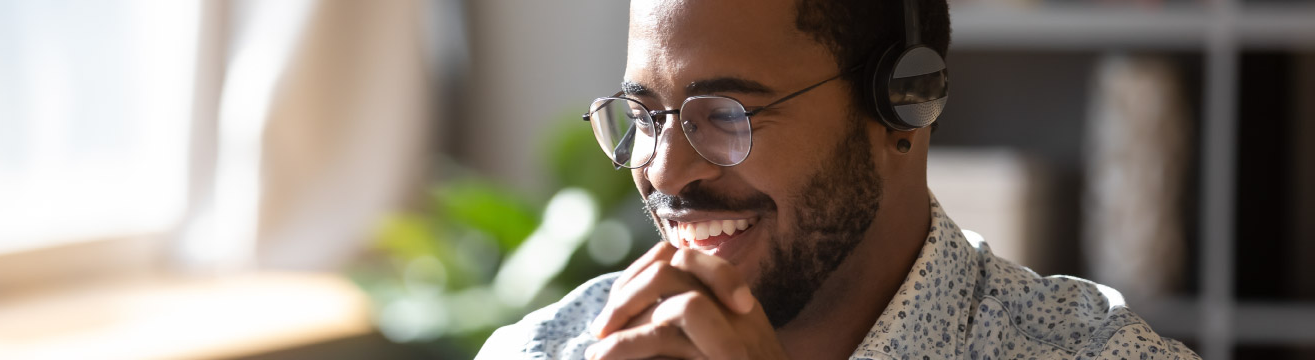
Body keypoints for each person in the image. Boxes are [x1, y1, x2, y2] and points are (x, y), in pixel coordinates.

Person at [476, 0, 1200, 359]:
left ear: (905, 103)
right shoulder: (543, 350)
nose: (664, 168)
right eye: (645, 113)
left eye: (726, 113)